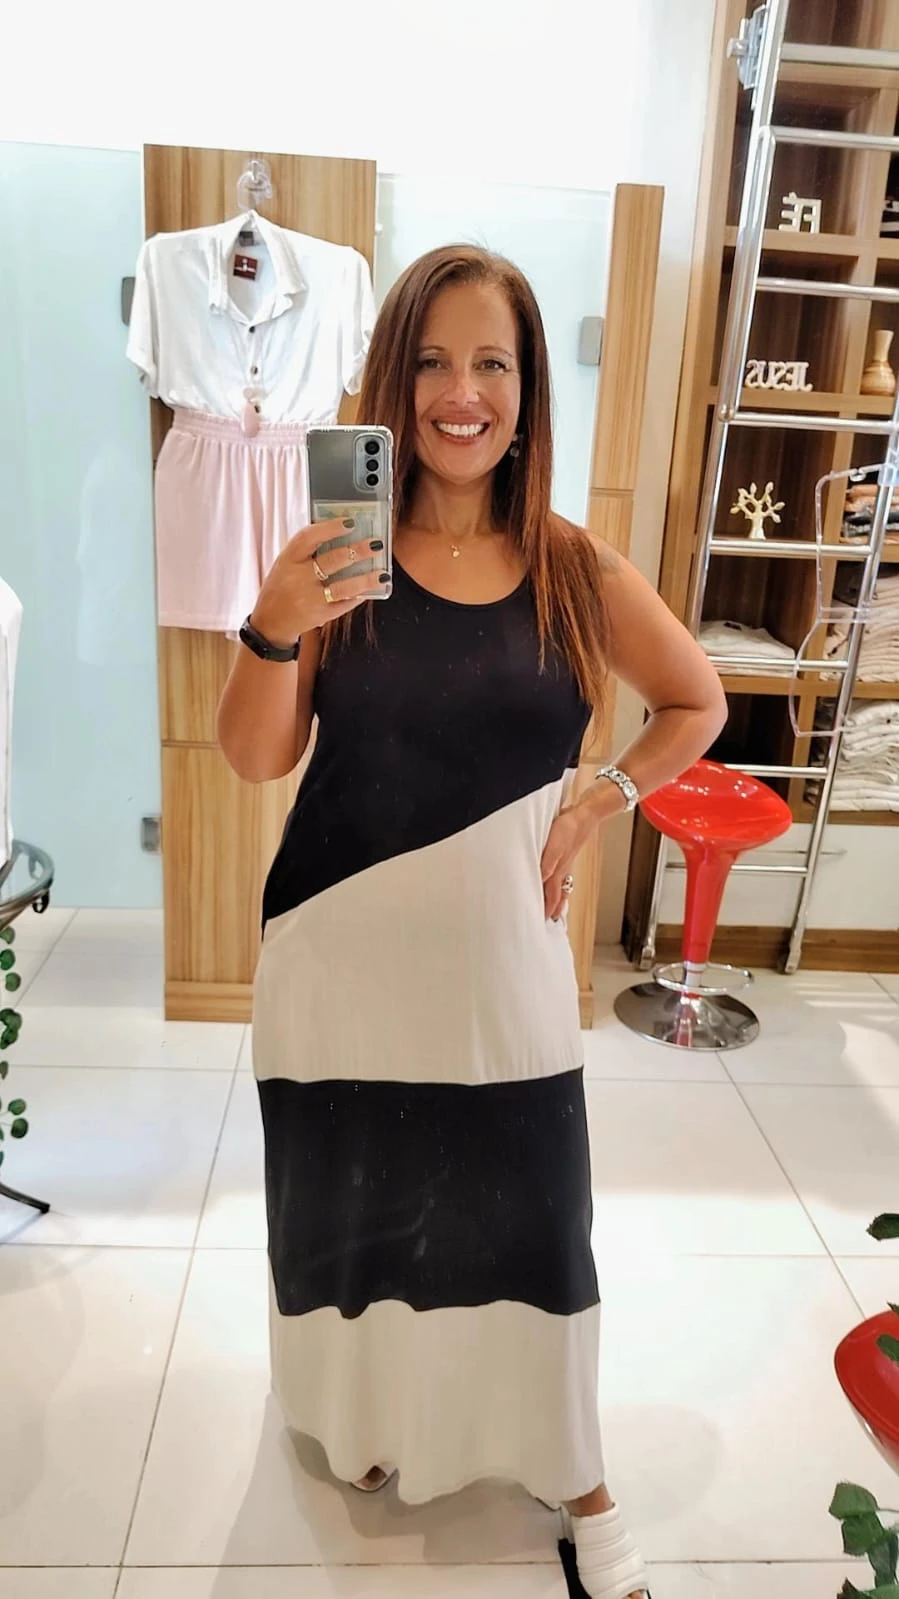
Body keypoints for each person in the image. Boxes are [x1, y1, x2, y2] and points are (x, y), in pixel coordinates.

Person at [217, 244, 727, 1599]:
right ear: (395, 378)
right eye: (433, 361)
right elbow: (256, 758)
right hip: (336, 956)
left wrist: (605, 793)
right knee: (360, 1208)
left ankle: (577, 1473)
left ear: (526, 388)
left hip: (503, 967)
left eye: (491, 363)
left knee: (530, 1217)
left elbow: (697, 701)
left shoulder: (569, 566)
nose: (461, 393)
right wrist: (273, 624)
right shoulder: (336, 560)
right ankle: (375, 1420)